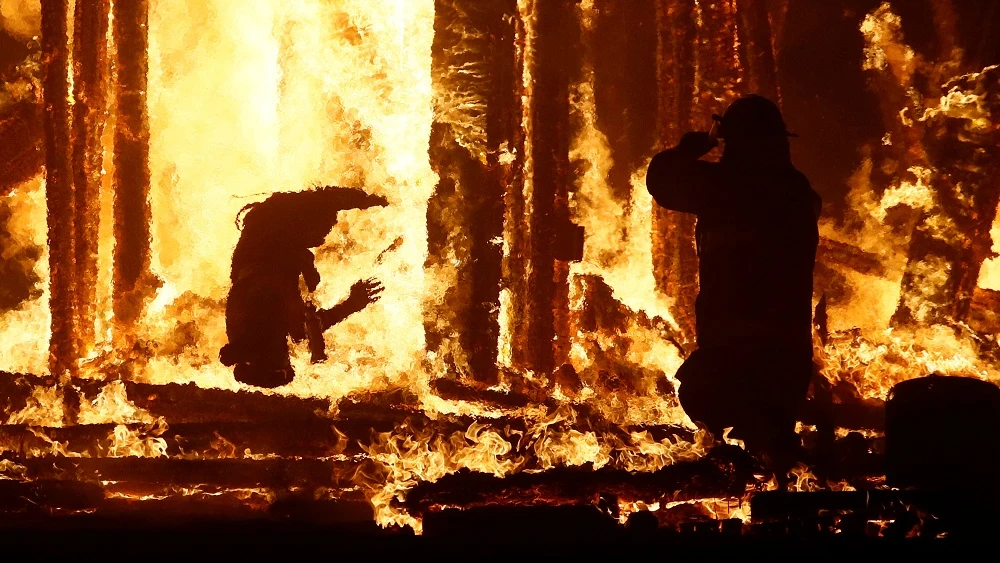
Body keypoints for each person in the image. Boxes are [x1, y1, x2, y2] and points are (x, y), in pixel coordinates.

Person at [646, 95, 821, 476]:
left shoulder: (726, 187)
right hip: (788, 348)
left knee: (699, 393)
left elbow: (662, 181)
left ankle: (746, 467)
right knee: (772, 422)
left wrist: (693, 147)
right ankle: (774, 466)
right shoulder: (799, 192)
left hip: (736, 345)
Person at [219, 186, 388, 388]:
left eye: (285, 363)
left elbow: (302, 326)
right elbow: (305, 328)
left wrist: (372, 200)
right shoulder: (255, 334)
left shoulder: (260, 318)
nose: (325, 234)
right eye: (323, 227)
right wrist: (351, 304)